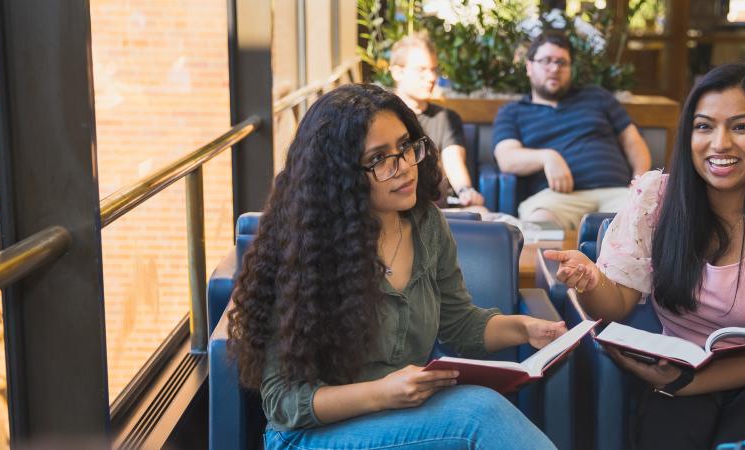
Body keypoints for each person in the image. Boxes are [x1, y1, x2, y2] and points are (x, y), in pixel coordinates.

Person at [226, 84, 565, 450]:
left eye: (406, 146)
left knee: (479, 411)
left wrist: (523, 327)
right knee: (478, 414)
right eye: (380, 159)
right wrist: (382, 394)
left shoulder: (426, 224)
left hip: (399, 419)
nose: (404, 167)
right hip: (310, 435)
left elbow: (460, 324)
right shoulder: (305, 247)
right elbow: (283, 403)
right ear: (341, 176)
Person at [543, 63, 745, 449]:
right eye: (704, 126)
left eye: (741, 127)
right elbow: (617, 303)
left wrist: (685, 383)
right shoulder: (656, 199)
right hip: (681, 367)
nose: (720, 143)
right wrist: (591, 281)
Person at [493, 31, 651, 230]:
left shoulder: (597, 97)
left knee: (644, 223)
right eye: (547, 61)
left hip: (616, 193)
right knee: (540, 225)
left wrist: (640, 184)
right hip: (557, 199)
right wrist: (547, 157)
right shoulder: (513, 112)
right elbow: (507, 158)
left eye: (562, 62)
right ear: (529, 66)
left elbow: (632, 141)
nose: (554, 68)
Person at [389, 33, 487, 213]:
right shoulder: (383, 117)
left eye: (434, 70)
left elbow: (453, 161)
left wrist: (465, 191)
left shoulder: (446, 118)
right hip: (395, 205)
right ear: (398, 72)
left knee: (482, 215)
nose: (431, 77)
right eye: (422, 70)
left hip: (438, 205)